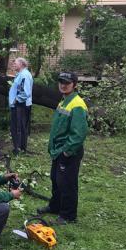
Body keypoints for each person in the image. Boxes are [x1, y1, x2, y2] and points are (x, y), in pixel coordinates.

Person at [37, 71, 88, 225]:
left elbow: (78, 134)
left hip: (68, 151)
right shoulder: (64, 101)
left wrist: (66, 152)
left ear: (75, 85)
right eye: (61, 82)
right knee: (56, 179)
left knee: (67, 183)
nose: (63, 85)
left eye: (67, 82)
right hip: (58, 150)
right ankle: (55, 207)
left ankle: (68, 216)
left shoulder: (77, 104)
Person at [9, 57, 33, 155]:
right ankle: (21, 147)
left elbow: (25, 92)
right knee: (21, 126)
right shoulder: (21, 74)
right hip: (20, 105)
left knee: (18, 127)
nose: (14, 64)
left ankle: (18, 148)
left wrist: (16, 100)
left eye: (16, 63)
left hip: (20, 105)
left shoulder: (24, 75)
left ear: (22, 64)